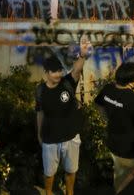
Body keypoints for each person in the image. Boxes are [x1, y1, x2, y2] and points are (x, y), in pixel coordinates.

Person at [36, 45, 88, 195]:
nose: (58, 74)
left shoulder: (67, 83)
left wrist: (83, 56)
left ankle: (69, 192)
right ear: (46, 73)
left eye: (60, 71)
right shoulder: (40, 91)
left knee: (71, 171)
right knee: (49, 173)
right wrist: (39, 134)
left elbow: (76, 70)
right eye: (54, 72)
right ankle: (48, 192)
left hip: (71, 137)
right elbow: (40, 114)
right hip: (50, 139)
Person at [94, 62, 134, 192]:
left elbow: (98, 104)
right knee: (131, 182)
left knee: (119, 177)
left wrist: (106, 119)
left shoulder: (108, 89)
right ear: (131, 81)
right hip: (132, 151)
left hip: (114, 145)